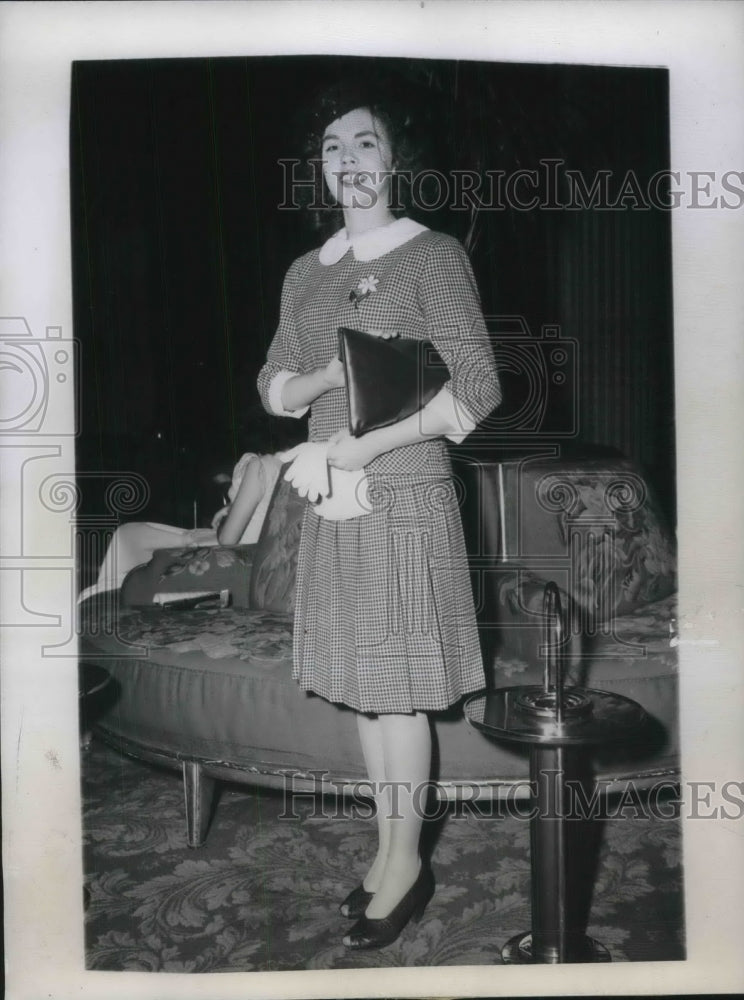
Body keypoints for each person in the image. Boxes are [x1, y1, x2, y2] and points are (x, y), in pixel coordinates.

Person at [257, 84, 501, 950]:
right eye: (331, 148)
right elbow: (274, 386)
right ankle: (390, 850)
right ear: (319, 169)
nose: (347, 161)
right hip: (334, 497)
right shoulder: (304, 272)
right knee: (367, 694)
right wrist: (323, 381)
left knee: (397, 696)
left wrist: (364, 446)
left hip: (403, 493)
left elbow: (479, 384)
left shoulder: (432, 256)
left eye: (363, 144)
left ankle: (406, 865)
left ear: (394, 159)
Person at [77, 451, 284, 603]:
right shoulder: (287, 468)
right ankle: (118, 587)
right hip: (248, 545)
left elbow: (228, 538)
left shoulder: (260, 465)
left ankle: (114, 592)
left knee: (129, 537)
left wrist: (227, 518)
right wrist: (233, 507)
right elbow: (262, 509)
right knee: (131, 534)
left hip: (235, 549)